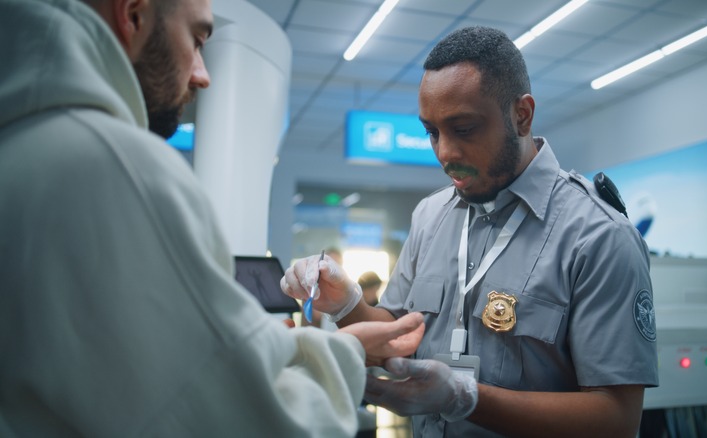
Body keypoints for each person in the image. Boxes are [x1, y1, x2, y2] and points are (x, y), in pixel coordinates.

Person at [0, 0, 425, 436]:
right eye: (197, 41)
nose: (203, 75)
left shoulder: (20, 143)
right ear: (133, 15)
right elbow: (249, 417)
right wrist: (346, 351)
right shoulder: (116, 165)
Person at [282, 26, 658, 437]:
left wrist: (467, 398)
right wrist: (346, 302)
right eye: (432, 132)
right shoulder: (431, 215)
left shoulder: (599, 236)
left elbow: (616, 420)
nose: (444, 153)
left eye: (463, 129)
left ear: (522, 115)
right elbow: (395, 337)